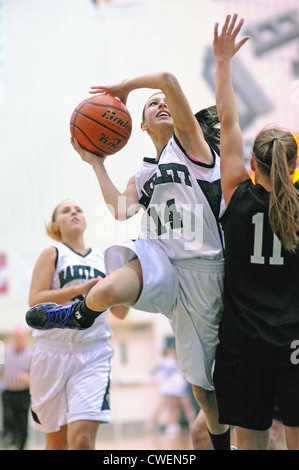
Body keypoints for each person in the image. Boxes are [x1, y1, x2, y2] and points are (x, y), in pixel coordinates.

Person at [26, 73, 230, 450]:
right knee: (106, 288)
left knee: (205, 392)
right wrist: (96, 163)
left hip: (206, 269)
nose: (162, 104)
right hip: (161, 260)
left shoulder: (191, 144)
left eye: (163, 101)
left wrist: (127, 88)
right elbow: (121, 210)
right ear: (141, 125)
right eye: (152, 104)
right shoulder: (145, 172)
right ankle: (78, 314)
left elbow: (168, 79)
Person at [212, 14, 299, 450]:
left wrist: (223, 62)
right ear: (295, 165)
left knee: (249, 444)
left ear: (253, 164)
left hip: (244, 345)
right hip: (295, 344)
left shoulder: (235, 193)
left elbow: (228, 124)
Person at [27, 199, 129, 450]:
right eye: (65, 210)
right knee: (56, 444)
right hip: (51, 353)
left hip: (92, 353)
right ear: (55, 225)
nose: (73, 212)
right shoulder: (53, 253)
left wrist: (129, 279)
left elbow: (121, 313)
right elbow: (34, 302)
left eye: (78, 210)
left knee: (83, 441)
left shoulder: (104, 259)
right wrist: (81, 289)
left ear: (85, 220)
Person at [148, 346, 195, 436]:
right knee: (171, 407)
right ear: (166, 353)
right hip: (170, 390)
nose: (172, 353)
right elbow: (154, 373)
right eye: (170, 352)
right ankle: (170, 425)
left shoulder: (180, 361)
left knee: (186, 406)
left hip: (181, 389)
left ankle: (191, 424)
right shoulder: (165, 362)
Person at [0, 327, 31, 450]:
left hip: (23, 393)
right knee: (8, 419)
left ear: (25, 338)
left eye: (21, 337)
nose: (19, 339)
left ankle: (21, 446)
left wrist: (27, 378)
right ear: (14, 338)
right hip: (8, 392)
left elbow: (37, 376)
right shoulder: (5, 353)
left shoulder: (31, 355)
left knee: (22, 422)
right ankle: (9, 442)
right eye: (17, 336)